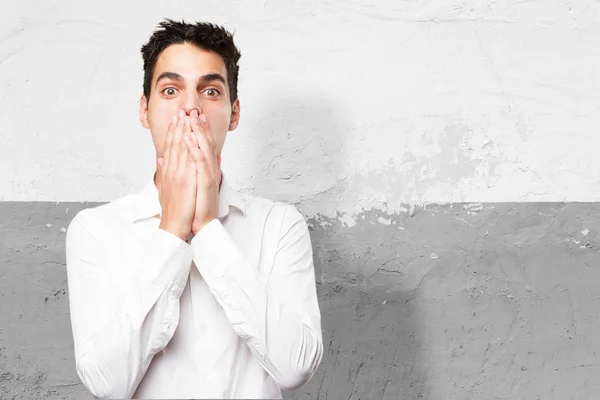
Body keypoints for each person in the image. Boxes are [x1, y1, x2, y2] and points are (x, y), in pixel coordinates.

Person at [65, 19, 323, 399]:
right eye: (170, 90)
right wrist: (172, 230)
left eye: (210, 92)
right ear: (144, 110)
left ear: (234, 114)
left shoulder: (279, 226)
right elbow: (107, 384)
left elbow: (295, 367)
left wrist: (207, 229)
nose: (190, 108)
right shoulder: (97, 231)